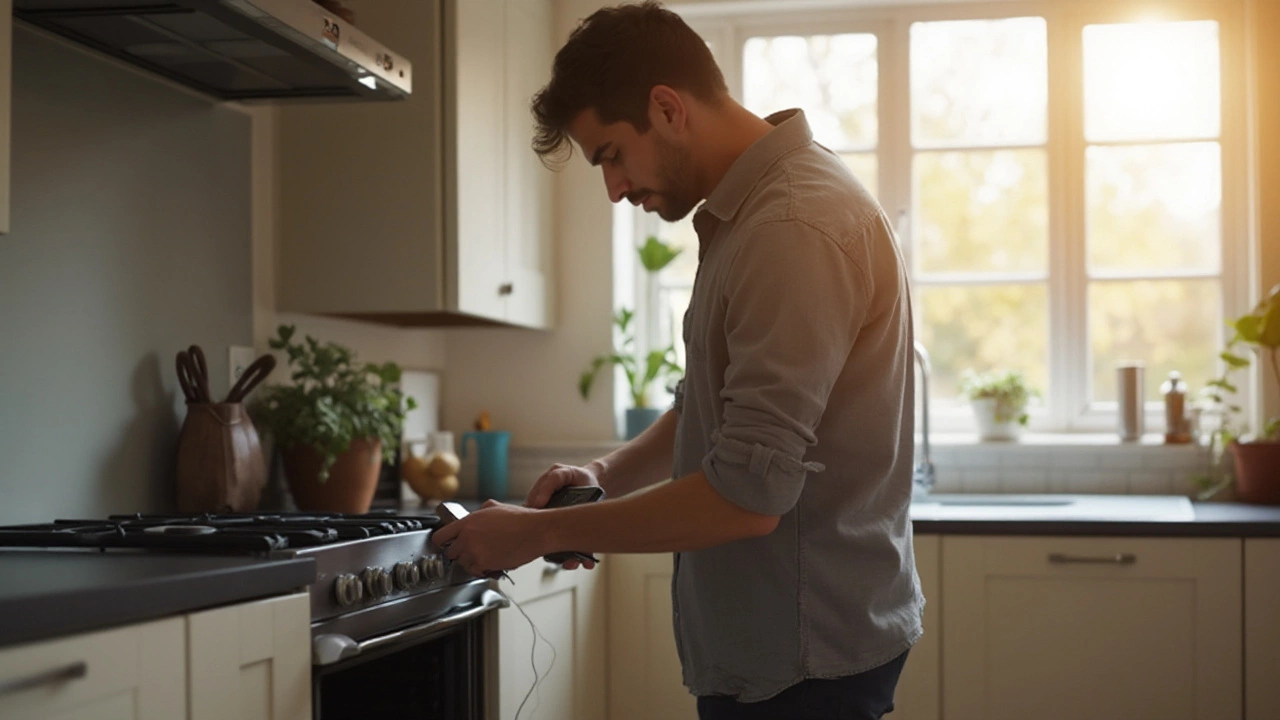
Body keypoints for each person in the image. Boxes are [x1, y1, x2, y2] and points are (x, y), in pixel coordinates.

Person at [430, 2, 923, 717]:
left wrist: (539, 531)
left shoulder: (791, 228)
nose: (614, 188)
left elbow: (748, 496)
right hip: (779, 654)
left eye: (611, 155)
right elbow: (706, 410)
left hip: (804, 666)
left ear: (666, 108)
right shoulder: (749, 217)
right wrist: (603, 474)